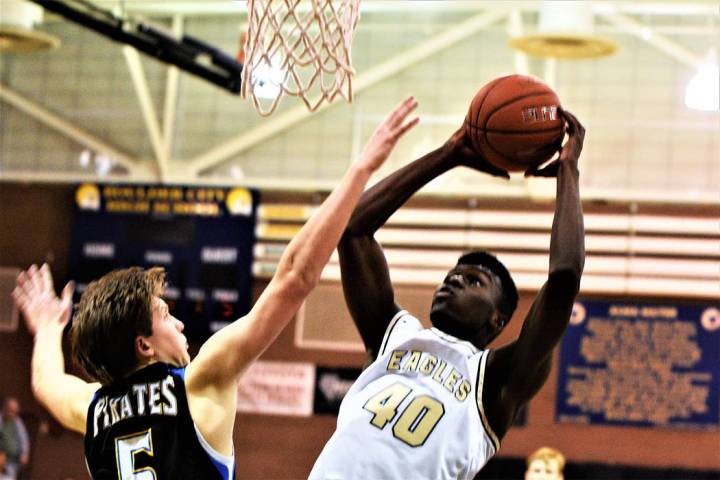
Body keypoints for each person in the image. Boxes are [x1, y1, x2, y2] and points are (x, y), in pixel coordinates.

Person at [11, 97, 420, 480]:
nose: (181, 324)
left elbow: (45, 382)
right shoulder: (200, 382)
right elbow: (295, 278)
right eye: (166, 316)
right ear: (144, 345)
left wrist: (47, 326)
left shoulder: (93, 408)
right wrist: (361, 170)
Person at [310, 110, 585, 480]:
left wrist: (568, 172)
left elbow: (564, 276)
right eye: (452, 275)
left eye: (474, 281)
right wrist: (448, 154)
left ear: (498, 319)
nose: (453, 282)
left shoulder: (494, 380)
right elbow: (353, 231)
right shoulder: (396, 335)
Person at [0, 397, 30, 480]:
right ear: (5, 408)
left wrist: (25, 452)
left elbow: (23, 438)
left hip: (12, 463)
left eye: (15, 411)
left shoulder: (18, 422)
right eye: (10, 410)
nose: (12, 413)